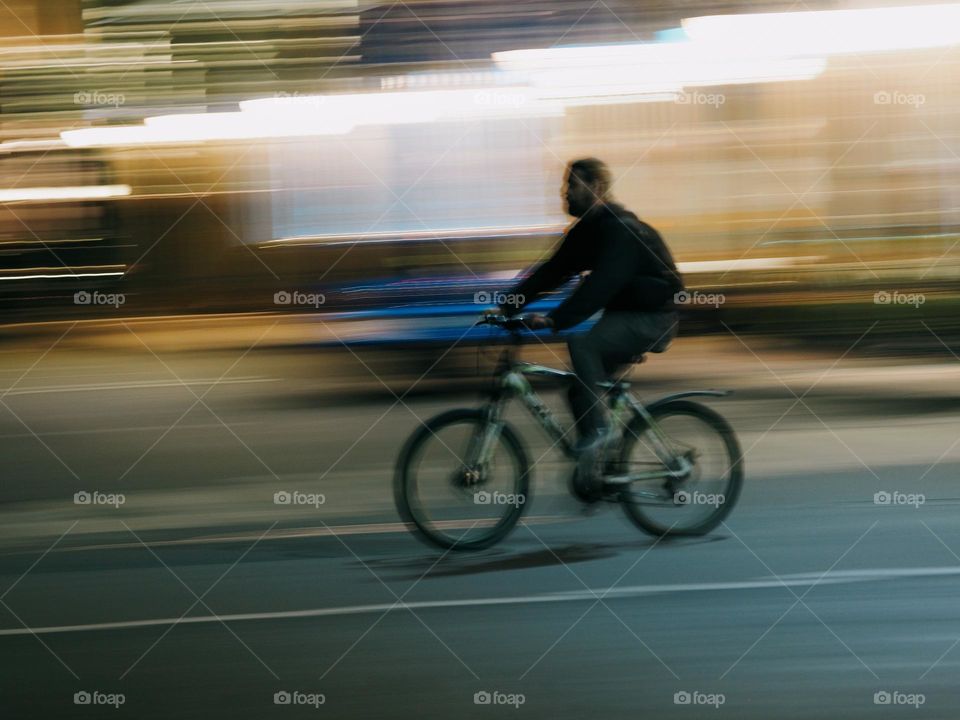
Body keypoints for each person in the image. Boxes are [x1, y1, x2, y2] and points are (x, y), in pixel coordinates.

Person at [497, 158, 683, 501]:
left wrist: (557, 319)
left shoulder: (619, 229)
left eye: (572, 186)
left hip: (654, 317)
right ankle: (597, 473)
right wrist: (508, 305)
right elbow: (553, 272)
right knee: (578, 390)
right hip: (625, 316)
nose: (564, 193)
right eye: (565, 186)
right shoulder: (587, 231)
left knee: (583, 345)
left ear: (595, 188)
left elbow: (603, 284)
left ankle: (598, 432)